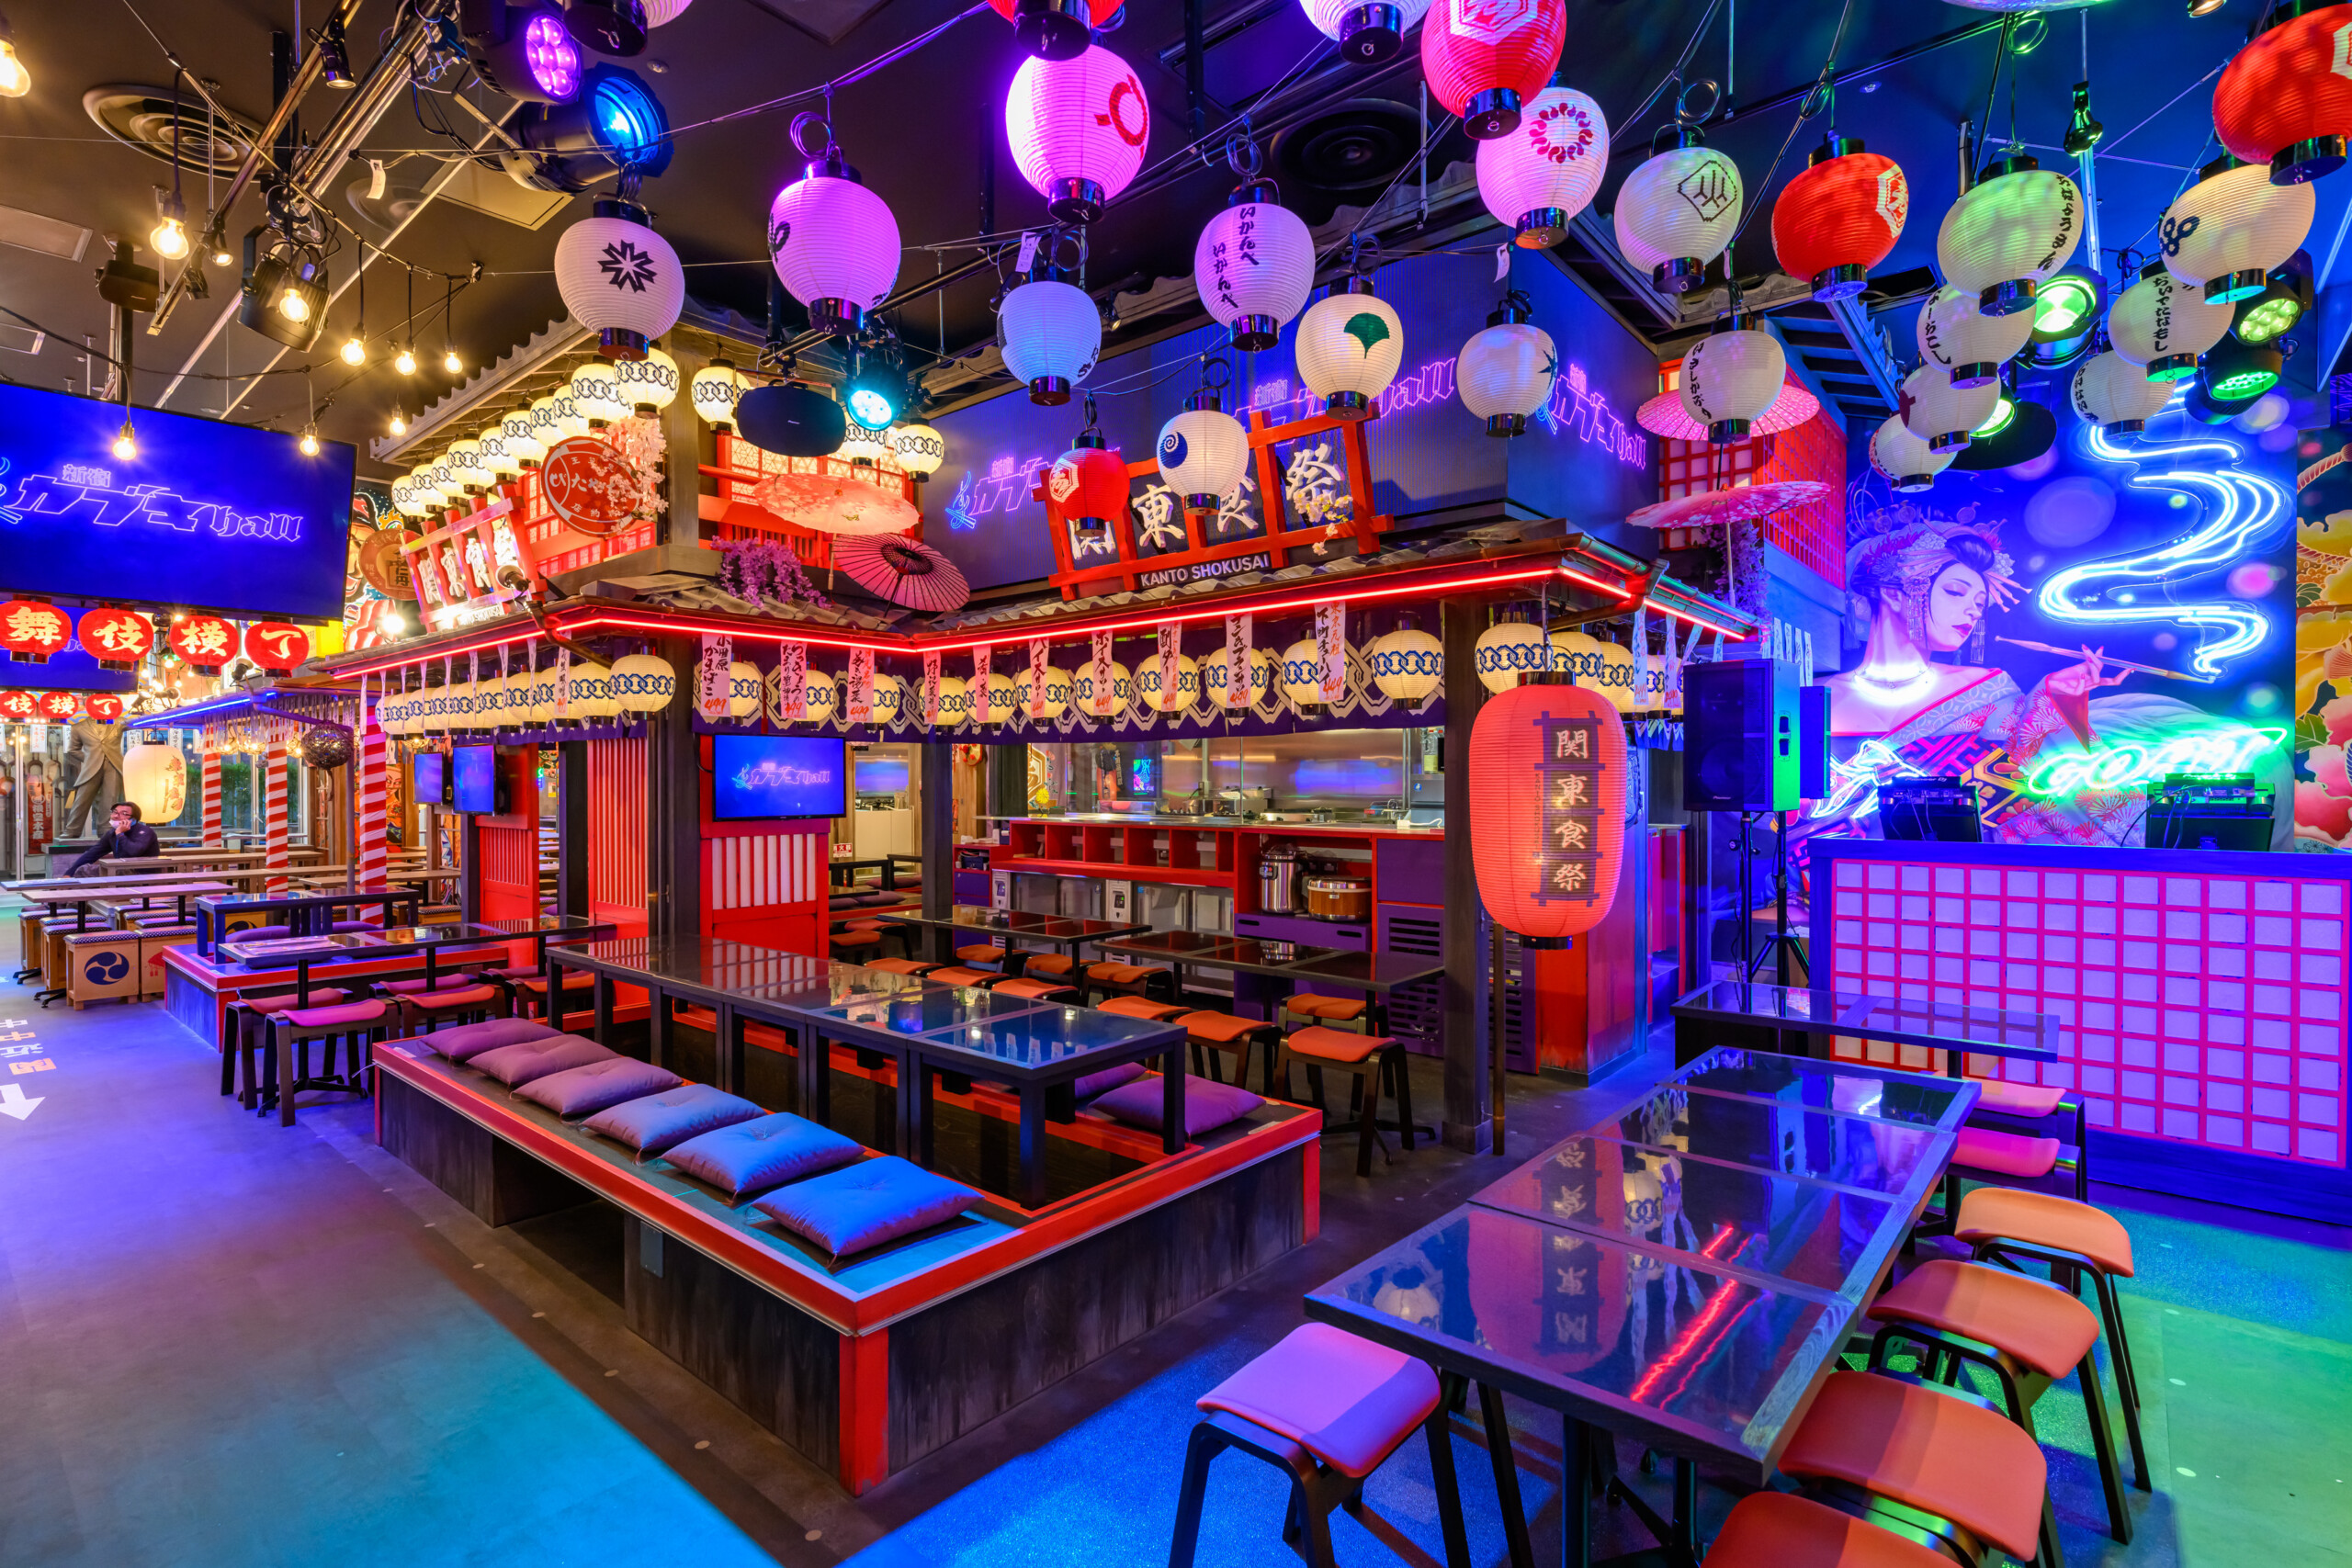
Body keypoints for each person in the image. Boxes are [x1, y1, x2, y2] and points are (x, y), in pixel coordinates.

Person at [67, 801, 160, 873]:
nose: (116, 816)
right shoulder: (111, 833)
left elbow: (133, 852)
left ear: (133, 819)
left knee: (91, 872)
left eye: (123, 813)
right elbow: (92, 854)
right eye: (115, 812)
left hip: (141, 873)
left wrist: (120, 834)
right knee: (83, 870)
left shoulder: (145, 831)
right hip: (119, 870)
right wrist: (69, 873)